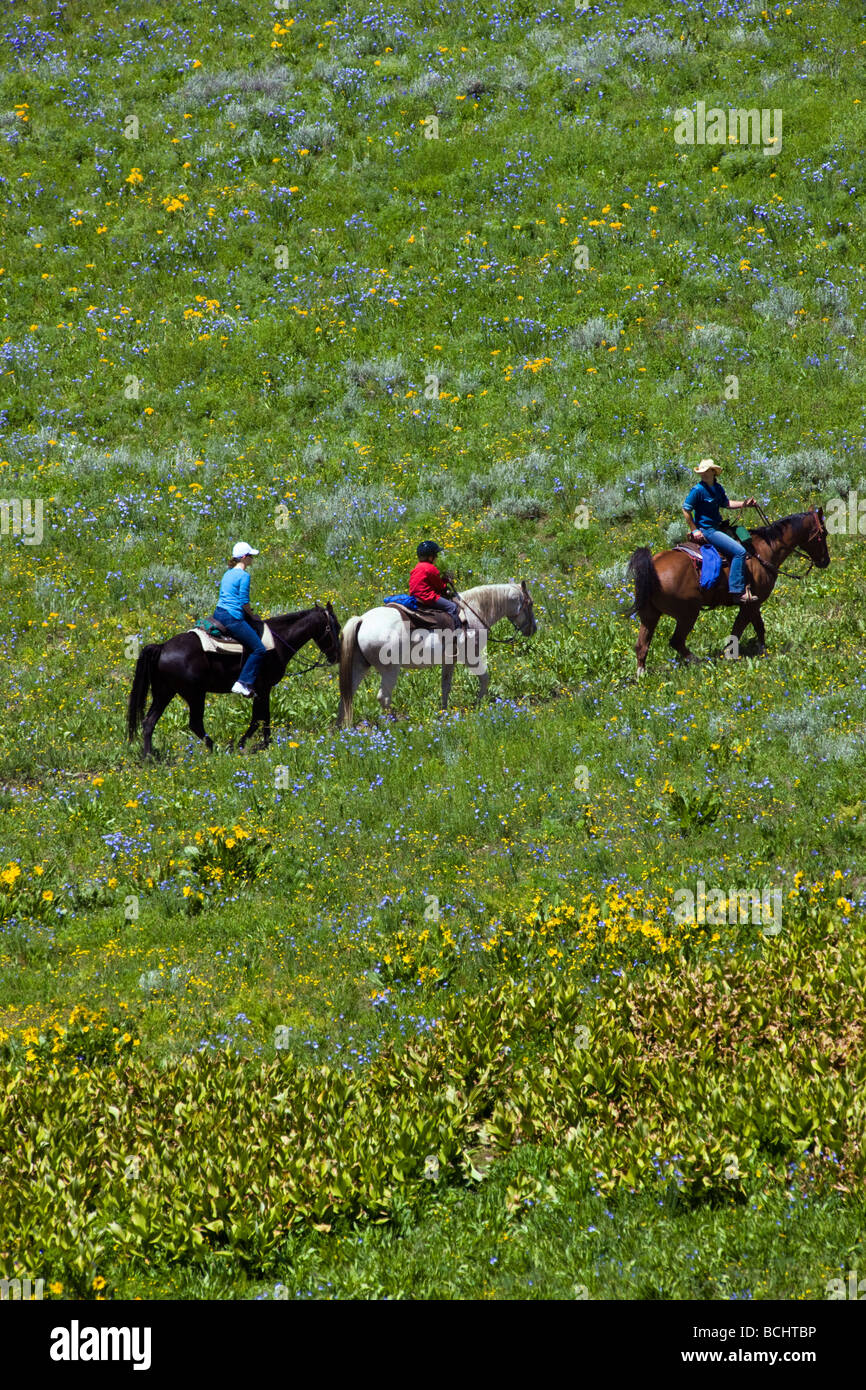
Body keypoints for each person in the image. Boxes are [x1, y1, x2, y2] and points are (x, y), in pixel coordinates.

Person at [682, 459, 757, 603]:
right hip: (708, 530)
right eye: (701, 472)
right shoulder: (697, 490)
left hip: (717, 526)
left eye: (706, 471)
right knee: (740, 552)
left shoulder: (717, 488)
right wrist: (694, 530)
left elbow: (726, 503)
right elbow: (686, 509)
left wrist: (745, 504)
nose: (703, 474)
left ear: (712, 472)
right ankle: (737, 590)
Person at [213, 542, 266, 696]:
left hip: (218, 614)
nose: (252, 559)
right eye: (250, 556)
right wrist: (252, 615)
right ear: (244, 558)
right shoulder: (244, 575)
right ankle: (242, 682)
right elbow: (244, 602)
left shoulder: (227, 573)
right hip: (232, 618)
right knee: (259, 649)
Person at [408, 540, 462, 629]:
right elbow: (440, 586)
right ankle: (457, 631)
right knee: (452, 607)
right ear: (430, 557)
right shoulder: (431, 568)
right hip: (427, 597)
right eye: (435, 555)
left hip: (415, 596)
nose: (436, 557)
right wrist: (446, 582)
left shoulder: (418, 566)